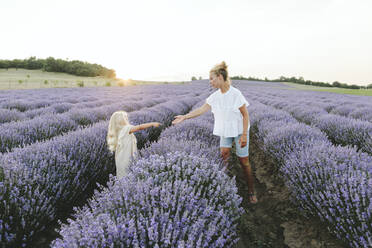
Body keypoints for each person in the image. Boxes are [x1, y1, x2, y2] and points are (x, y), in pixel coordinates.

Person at [172, 61, 257, 204]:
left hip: (238, 130)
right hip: (225, 130)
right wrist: (184, 117)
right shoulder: (215, 96)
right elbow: (201, 109)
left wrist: (243, 135)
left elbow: (245, 115)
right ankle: (224, 186)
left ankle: (251, 190)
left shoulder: (235, 94)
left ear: (219, 77)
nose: (210, 82)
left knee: (244, 162)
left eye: (212, 78)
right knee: (223, 156)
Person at [107, 111, 161, 179]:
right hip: (127, 158)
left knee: (122, 176)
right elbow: (139, 127)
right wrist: (152, 124)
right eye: (126, 118)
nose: (127, 119)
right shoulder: (126, 129)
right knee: (129, 175)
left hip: (120, 158)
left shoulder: (116, 131)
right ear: (122, 120)